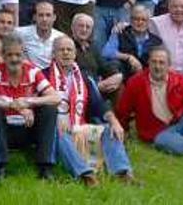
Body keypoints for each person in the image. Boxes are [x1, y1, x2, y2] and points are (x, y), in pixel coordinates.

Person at [115, 45, 183, 165]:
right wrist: (123, 129)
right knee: (168, 143)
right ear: (148, 63)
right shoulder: (135, 83)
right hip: (158, 133)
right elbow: (123, 109)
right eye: (154, 62)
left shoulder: (178, 79)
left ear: (169, 65)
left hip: (181, 123)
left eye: (162, 63)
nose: (157, 66)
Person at [45, 37, 133, 186]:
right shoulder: (44, 75)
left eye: (69, 50)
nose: (66, 53)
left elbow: (98, 104)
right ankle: (86, 174)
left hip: (80, 127)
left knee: (109, 129)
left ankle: (122, 172)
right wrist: (55, 118)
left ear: (75, 54)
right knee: (58, 132)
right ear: (53, 54)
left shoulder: (84, 77)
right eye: (61, 50)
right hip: (56, 129)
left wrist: (114, 121)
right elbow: (42, 107)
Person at [0, 35, 59, 179]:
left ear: (23, 54)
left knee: (49, 109)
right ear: (3, 56)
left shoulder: (32, 71)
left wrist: (28, 102)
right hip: (4, 130)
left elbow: (55, 97)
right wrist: (11, 105)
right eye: (10, 55)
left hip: (28, 128)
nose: (14, 59)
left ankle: (45, 168)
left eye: (18, 54)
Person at [101, 5, 163, 79]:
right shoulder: (120, 33)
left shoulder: (156, 41)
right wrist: (128, 57)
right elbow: (106, 52)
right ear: (130, 20)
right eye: (136, 19)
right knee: (113, 64)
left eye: (143, 20)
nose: (140, 22)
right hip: (123, 75)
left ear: (148, 22)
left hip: (148, 78)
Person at [69, 13, 122, 97]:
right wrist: (96, 85)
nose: (84, 29)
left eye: (88, 27)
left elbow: (104, 66)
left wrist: (116, 75)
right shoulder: (68, 46)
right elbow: (73, 73)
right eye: (81, 26)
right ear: (72, 28)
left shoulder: (93, 47)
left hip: (98, 87)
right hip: (78, 89)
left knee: (118, 86)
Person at [13, 1, 64, 70]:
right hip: (28, 74)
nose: (44, 19)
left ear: (54, 17)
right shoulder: (20, 33)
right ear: (34, 17)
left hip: (52, 76)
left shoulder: (61, 38)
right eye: (41, 15)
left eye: (48, 15)